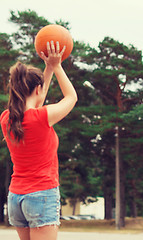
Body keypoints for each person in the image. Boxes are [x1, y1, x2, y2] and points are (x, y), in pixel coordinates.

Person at [0, 41, 77, 240]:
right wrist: (57, 66)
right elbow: (71, 97)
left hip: (16, 198)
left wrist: (49, 68)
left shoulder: (6, 118)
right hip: (41, 195)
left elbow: (36, 102)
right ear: (37, 89)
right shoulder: (41, 118)